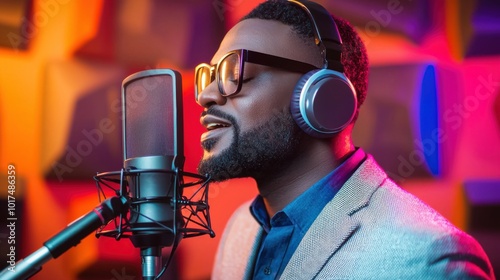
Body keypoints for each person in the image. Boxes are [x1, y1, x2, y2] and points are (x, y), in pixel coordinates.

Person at [193, 0, 495, 279]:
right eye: (207, 77)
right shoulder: (239, 230)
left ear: (321, 95)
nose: (206, 96)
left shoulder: (431, 259)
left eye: (232, 71)